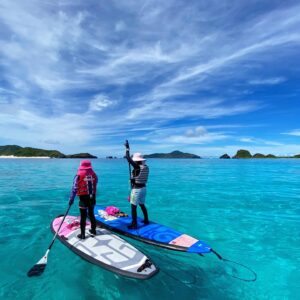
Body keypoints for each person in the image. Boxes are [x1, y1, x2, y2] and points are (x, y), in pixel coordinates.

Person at [69, 160, 98, 239]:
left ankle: (82, 235)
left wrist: (71, 199)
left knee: (83, 217)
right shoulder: (94, 175)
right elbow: (95, 183)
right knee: (91, 214)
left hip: (83, 199)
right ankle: (93, 230)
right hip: (92, 198)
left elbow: (74, 188)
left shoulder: (78, 175)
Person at [124, 140, 149, 229]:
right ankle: (146, 220)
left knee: (133, 207)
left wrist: (127, 148)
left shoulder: (137, 167)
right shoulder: (146, 167)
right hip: (144, 189)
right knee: (142, 204)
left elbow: (127, 158)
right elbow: (139, 177)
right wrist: (133, 179)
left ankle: (134, 224)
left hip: (137, 190)